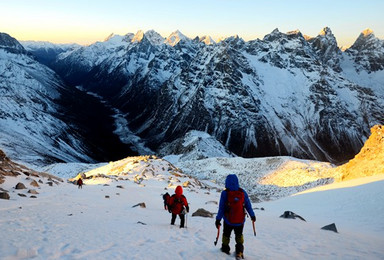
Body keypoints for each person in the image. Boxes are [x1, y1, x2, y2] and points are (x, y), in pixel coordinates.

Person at [215, 174, 256, 259]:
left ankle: (225, 249)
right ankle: (239, 252)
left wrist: (218, 219)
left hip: (228, 220)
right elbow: (248, 205)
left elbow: (221, 208)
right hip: (240, 220)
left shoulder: (225, 193)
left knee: (226, 235)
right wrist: (252, 215)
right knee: (239, 235)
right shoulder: (242, 192)